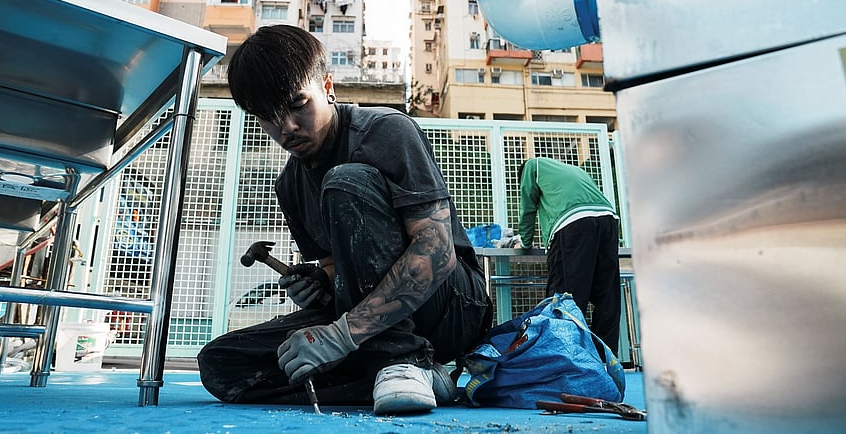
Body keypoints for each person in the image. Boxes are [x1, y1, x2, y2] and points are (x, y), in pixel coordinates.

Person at [197, 25, 492, 415]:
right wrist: (320, 286)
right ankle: (407, 376)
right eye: (267, 117)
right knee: (223, 365)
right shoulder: (290, 185)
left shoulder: (385, 131)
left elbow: (435, 252)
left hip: (452, 307)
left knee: (345, 181)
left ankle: (401, 362)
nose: (286, 127)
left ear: (328, 86)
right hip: (373, 320)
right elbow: (343, 280)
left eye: (298, 104)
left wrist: (342, 334)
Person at [517, 157, 620, 355]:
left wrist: (525, 242)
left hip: (572, 224)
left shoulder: (533, 166)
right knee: (607, 297)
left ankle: (565, 358)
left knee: (565, 296)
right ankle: (606, 361)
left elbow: (528, 208)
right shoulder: (573, 169)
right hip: (608, 220)